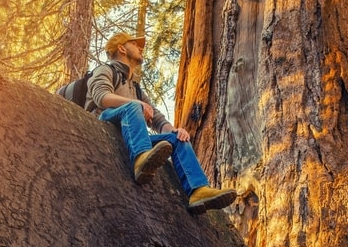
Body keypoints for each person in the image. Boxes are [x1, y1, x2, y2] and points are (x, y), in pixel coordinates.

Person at [86, 32, 237, 214]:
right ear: (121, 48)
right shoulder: (106, 70)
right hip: (106, 125)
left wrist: (175, 131)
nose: (141, 48)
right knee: (133, 108)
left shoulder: (135, 88)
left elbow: (157, 118)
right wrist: (135, 104)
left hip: (132, 136)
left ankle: (198, 191)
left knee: (176, 138)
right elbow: (101, 97)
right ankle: (141, 160)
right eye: (135, 44)